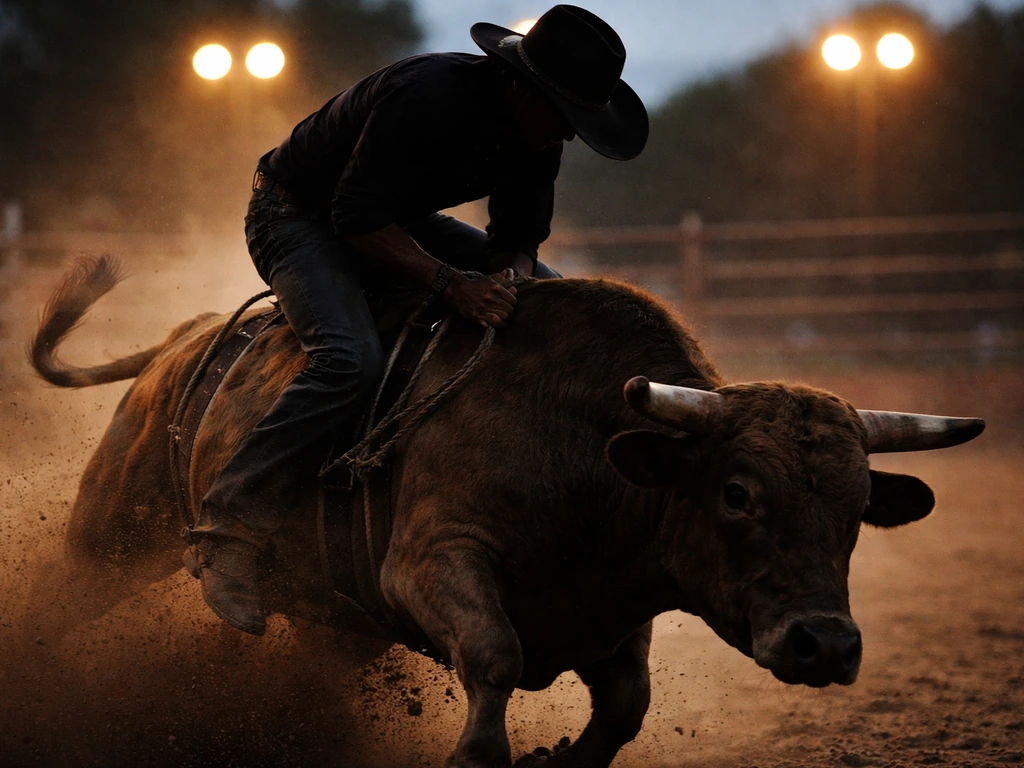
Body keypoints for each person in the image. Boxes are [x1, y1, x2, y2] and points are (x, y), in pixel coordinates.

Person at [183, 4, 650, 635]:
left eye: (577, 123)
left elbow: (515, 239)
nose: (566, 134)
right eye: (562, 116)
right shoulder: (425, 95)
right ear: (520, 86)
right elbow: (351, 218)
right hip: (298, 213)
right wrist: (453, 285)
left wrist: (510, 285)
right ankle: (228, 530)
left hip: (392, 217)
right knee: (347, 360)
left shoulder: (538, 135)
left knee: (553, 298)